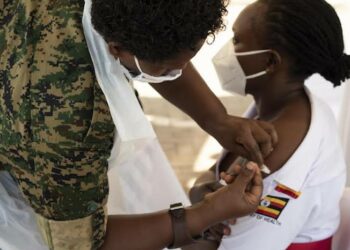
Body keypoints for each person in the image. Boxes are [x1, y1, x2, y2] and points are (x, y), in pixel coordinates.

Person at [0, 0, 275, 249]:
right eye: (167, 70)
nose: (175, 74)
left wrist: (217, 119)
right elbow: (82, 245)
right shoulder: (72, 129)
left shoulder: (127, 22)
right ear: (116, 48)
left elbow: (161, 44)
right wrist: (206, 212)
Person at [186, 0, 350, 249]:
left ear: (270, 62)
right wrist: (200, 196)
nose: (227, 51)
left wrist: (196, 220)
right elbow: (212, 177)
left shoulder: (278, 146)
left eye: (237, 40)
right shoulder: (276, 108)